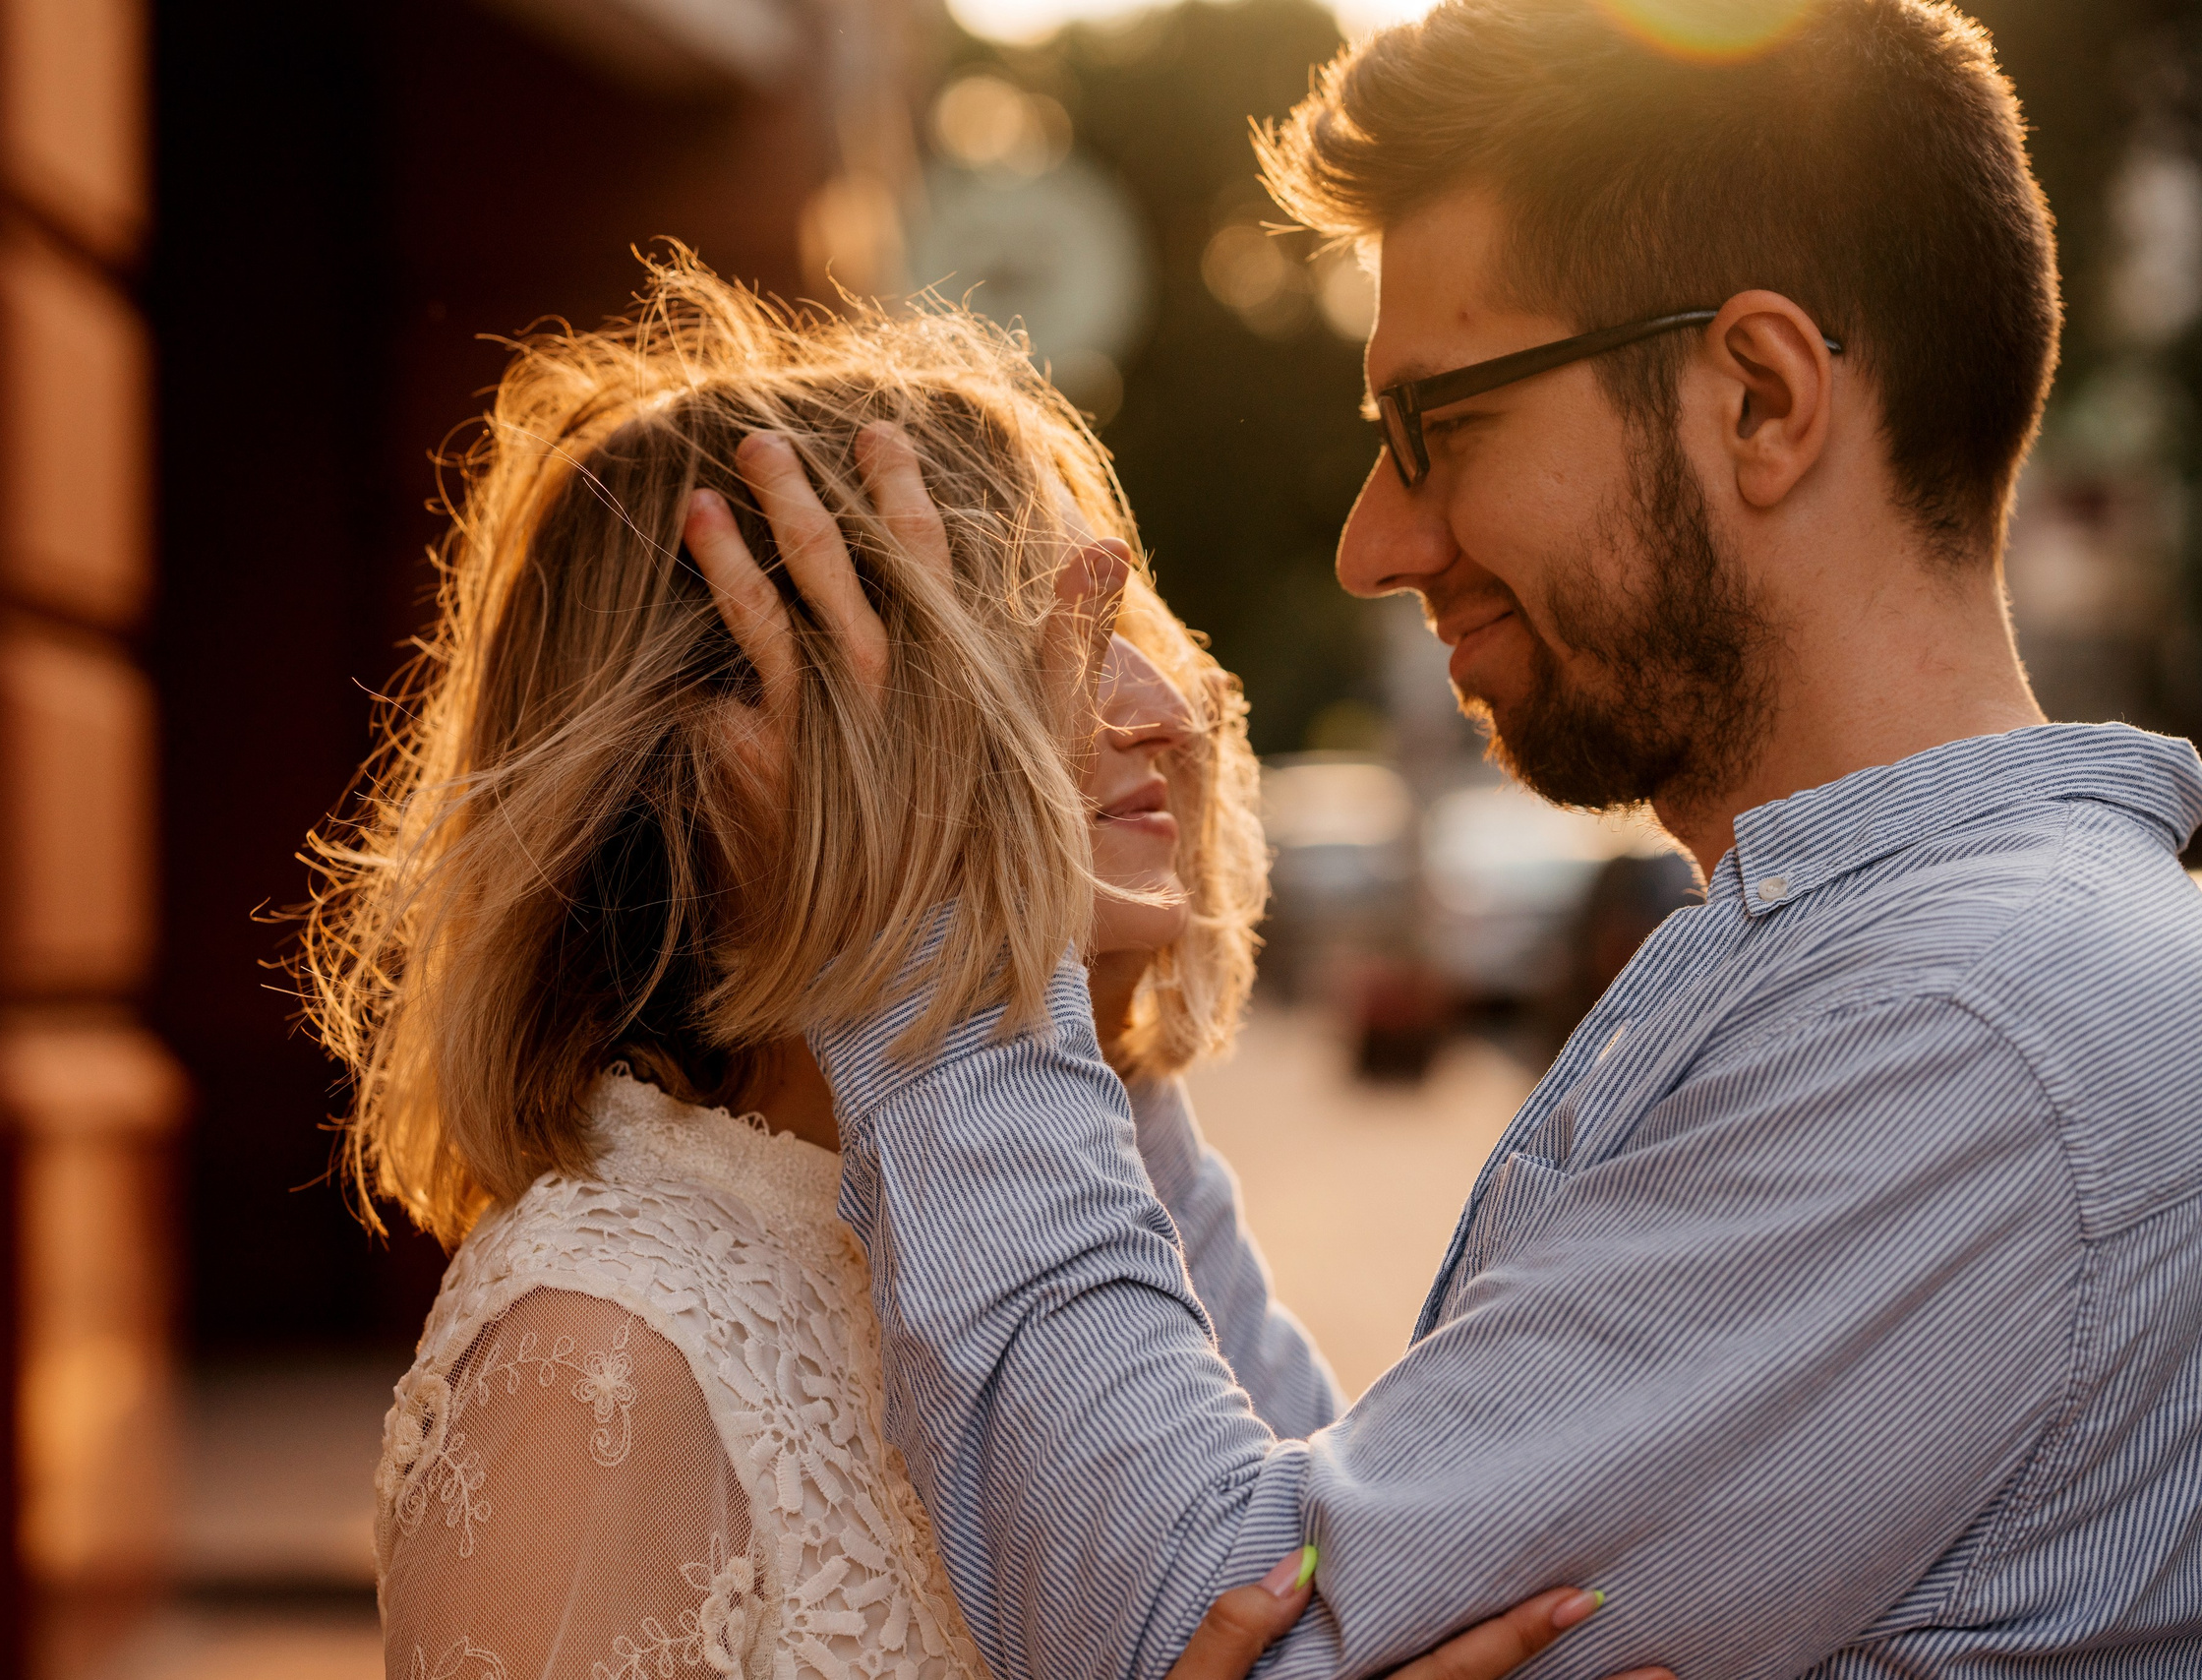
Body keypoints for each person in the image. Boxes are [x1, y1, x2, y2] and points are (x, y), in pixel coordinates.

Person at [687, 3, 2202, 1678]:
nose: (1373, 544)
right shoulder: (1930, 964)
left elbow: (1222, 1626)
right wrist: (1104, 1059)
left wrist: (940, 939)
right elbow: (1350, 1540)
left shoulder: (1961, 1028)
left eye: (1438, 425)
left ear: (1762, 397)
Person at [301, 257, 1650, 1680]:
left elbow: (1331, 1585)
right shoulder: (604, 1349)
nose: (1162, 708)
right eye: (1030, 648)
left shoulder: (1042, 1192)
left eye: (1124, 629)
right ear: (751, 758)